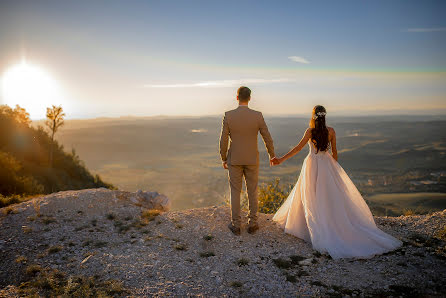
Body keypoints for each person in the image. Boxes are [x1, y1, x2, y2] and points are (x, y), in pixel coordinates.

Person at [271, 105, 402, 259]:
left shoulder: (310, 131)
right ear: (324, 116)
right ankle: (331, 221)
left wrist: (280, 160)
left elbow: (297, 149)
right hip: (327, 164)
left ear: (313, 116)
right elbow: (335, 152)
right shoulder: (331, 131)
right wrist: (334, 169)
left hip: (312, 164)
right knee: (327, 195)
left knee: (310, 194)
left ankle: (307, 224)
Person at [219, 86, 276, 235]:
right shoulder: (258, 116)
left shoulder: (229, 115)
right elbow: (267, 137)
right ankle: (253, 224)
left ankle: (236, 225)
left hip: (235, 159)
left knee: (235, 191)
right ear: (250, 98)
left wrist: (223, 157)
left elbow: (223, 139)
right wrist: (272, 154)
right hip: (252, 159)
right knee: (253, 190)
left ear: (237, 97)